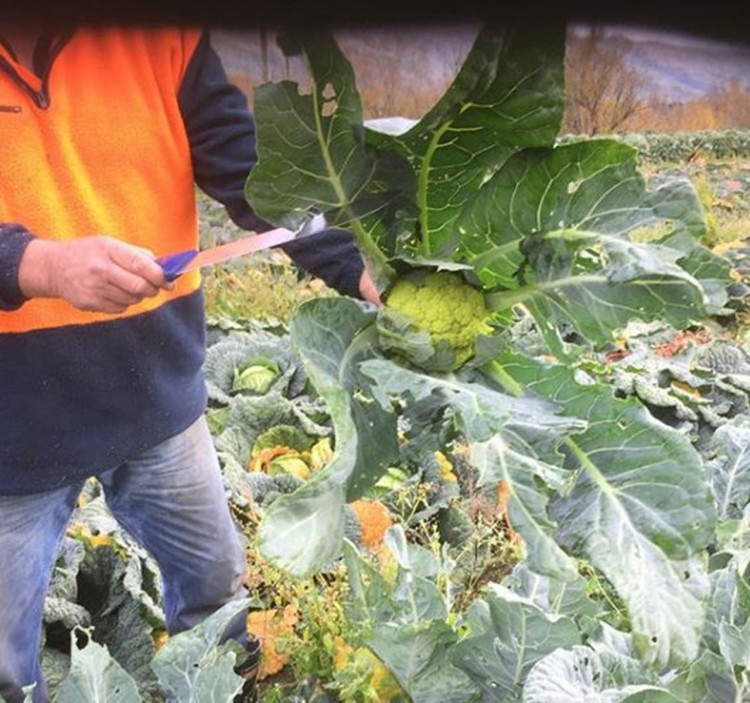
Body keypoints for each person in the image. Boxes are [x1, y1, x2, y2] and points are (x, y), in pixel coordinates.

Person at [0, 21, 378, 703]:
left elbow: (261, 179)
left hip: (156, 395)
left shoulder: (160, 34)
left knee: (217, 600)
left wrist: (362, 265)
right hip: (9, 426)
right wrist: (37, 263)